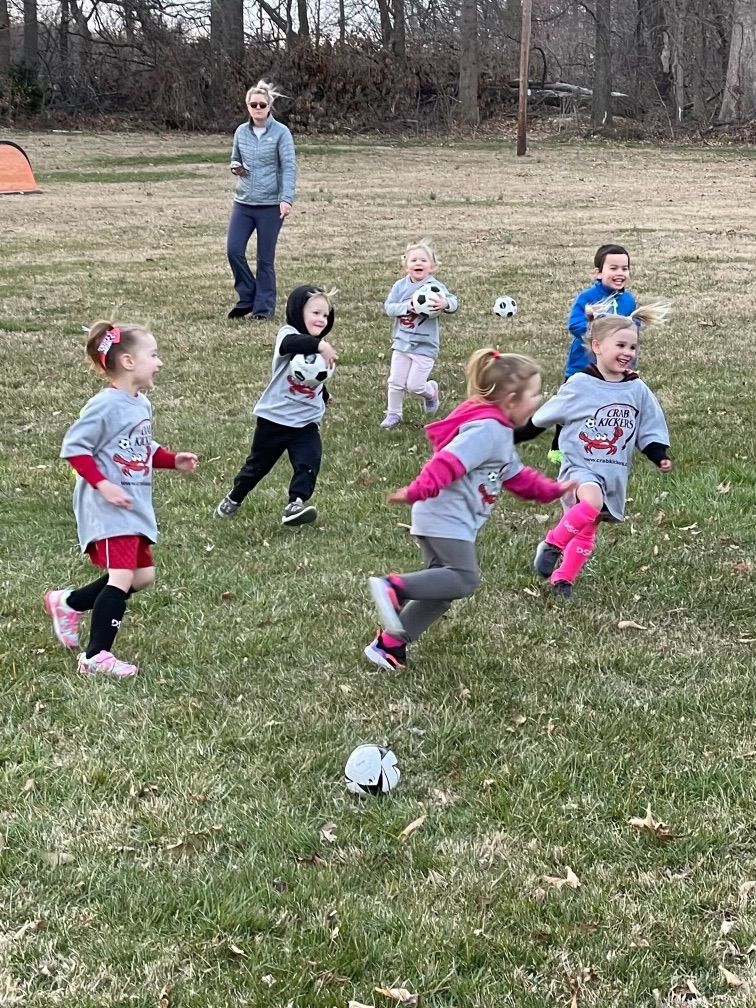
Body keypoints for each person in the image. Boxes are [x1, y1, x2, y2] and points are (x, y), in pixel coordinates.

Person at [364, 349, 576, 671]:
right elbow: (447, 461)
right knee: (464, 579)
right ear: (511, 399)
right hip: (445, 518)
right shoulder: (487, 430)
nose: (538, 401)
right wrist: (418, 490)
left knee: (441, 591)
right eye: (533, 393)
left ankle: (390, 645)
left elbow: (516, 476)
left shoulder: (499, 432)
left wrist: (551, 490)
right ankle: (394, 587)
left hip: (446, 519)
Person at [44, 321, 198, 679]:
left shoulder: (139, 403)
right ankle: (97, 656)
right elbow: (75, 449)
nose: (159, 362)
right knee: (121, 577)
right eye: (154, 355)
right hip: (108, 508)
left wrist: (171, 459)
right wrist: (102, 485)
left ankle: (68, 603)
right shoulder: (103, 406)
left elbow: (139, 448)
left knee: (142, 577)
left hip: (132, 507)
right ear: (128, 361)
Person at [517, 302, 672, 599]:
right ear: (598, 346)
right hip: (579, 468)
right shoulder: (580, 384)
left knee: (588, 529)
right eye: (621, 345)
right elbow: (543, 418)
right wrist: (512, 436)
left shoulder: (637, 389)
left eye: (633, 346)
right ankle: (551, 545)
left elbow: (649, 425)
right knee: (590, 501)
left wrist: (658, 453)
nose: (628, 352)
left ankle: (563, 579)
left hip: (612, 471)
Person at [215, 285, 338, 527]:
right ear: (297, 311)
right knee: (257, 467)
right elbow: (294, 343)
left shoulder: (321, 349)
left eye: (325, 315)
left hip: (306, 421)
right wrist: (320, 346)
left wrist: (324, 395)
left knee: (309, 462)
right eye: (315, 313)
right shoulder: (287, 334)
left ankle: (296, 503)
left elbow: (316, 378)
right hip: (274, 419)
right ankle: (235, 496)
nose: (321, 319)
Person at [226, 80, 296, 321]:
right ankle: (247, 296)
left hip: (270, 205)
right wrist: (236, 168)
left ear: (269, 107)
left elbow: (289, 167)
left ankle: (263, 308)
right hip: (243, 203)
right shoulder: (240, 132)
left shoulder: (281, 133)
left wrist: (286, 199)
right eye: (253, 104)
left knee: (265, 259)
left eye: (262, 104)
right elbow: (235, 158)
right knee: (234, 250)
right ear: (247, 106)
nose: (257, 108)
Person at [381, 240, 458, 429]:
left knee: (415, 386)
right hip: (402, 343)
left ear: (432, 267)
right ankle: (394, 414)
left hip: (425, 345)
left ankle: (430, 391)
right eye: (413, 260)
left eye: (423, 260)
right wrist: (406, 306)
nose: (418, 263)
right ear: (406, 266)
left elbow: (454, 302)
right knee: (396, 381)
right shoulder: (400, 287)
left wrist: (445, 305)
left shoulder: (435, 287)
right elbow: (389, 308)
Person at [564, 243, 637, 379]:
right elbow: (575, 325)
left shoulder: (628, 300)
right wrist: (602, 333)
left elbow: (633, 331)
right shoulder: (588, 297)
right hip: (584, 366)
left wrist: (629, 365)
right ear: (598, 273)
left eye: (624, 269)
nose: (620, 273)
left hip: (616, 370)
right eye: (613, 268)